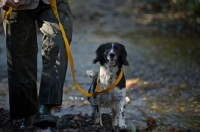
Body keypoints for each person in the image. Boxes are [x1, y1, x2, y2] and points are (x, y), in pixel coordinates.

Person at [0, 0, 73, 131]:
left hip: (53, 2)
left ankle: (44, 108)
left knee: (58, 45)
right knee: (19, 57)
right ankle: (28, 115)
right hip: (17, 4)